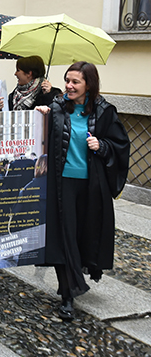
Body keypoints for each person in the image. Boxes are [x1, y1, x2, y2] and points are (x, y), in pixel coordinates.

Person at [34, 62, 130, 321]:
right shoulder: (55, 108)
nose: (69, 86)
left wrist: (102, 145)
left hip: (91, 185)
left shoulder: (104, 111)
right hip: (61, 182)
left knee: (83, 235)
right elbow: (37, 138)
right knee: (62, 237)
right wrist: (39, 114)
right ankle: (68, 294)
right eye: (67, 80)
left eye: (75, 81)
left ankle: (79, 275)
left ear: (89, 84)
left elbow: (119, 145)